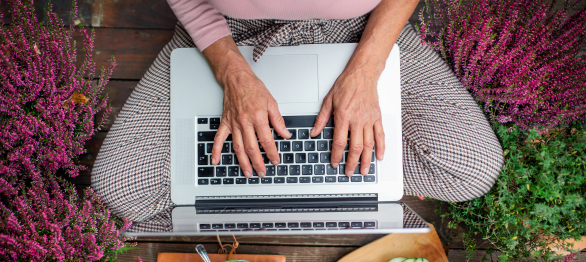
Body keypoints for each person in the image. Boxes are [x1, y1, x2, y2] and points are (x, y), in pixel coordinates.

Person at [91, 0, 504, 223]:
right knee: (119, 189)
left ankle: (322, 185)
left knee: (473, 170)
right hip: (225, 34)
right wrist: (232, 74)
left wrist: (366, 69)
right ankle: (326, 184)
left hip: (361, 31)